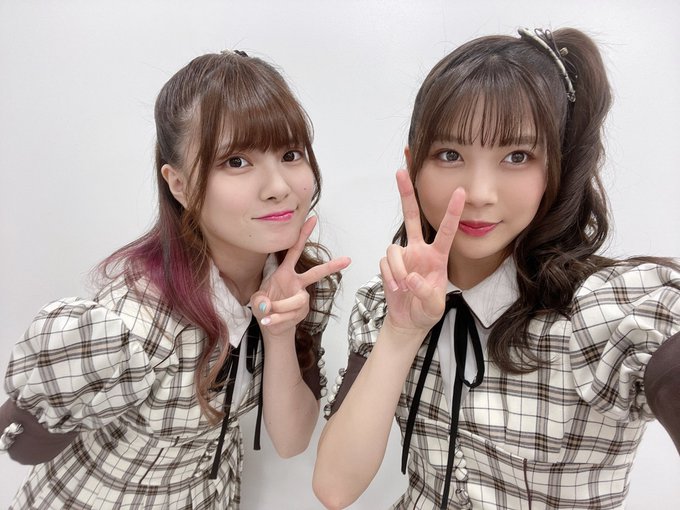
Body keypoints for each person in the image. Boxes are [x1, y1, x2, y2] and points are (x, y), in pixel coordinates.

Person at [313, 27, 680, 510]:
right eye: (450, 155)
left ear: (557, 168)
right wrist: (402, 333)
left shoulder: (605, 310)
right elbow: (334, 489)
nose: (479, 193)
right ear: (413, 165)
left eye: (516, 156)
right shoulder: (384, 302)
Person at [0, 49, 350, 509]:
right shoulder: (134, 323)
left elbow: (291, 441)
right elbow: (20, 446)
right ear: (179, 184)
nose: (279, 187)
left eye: (290, 154)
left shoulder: (303, 285)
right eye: (236, 161)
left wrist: (279, 333)